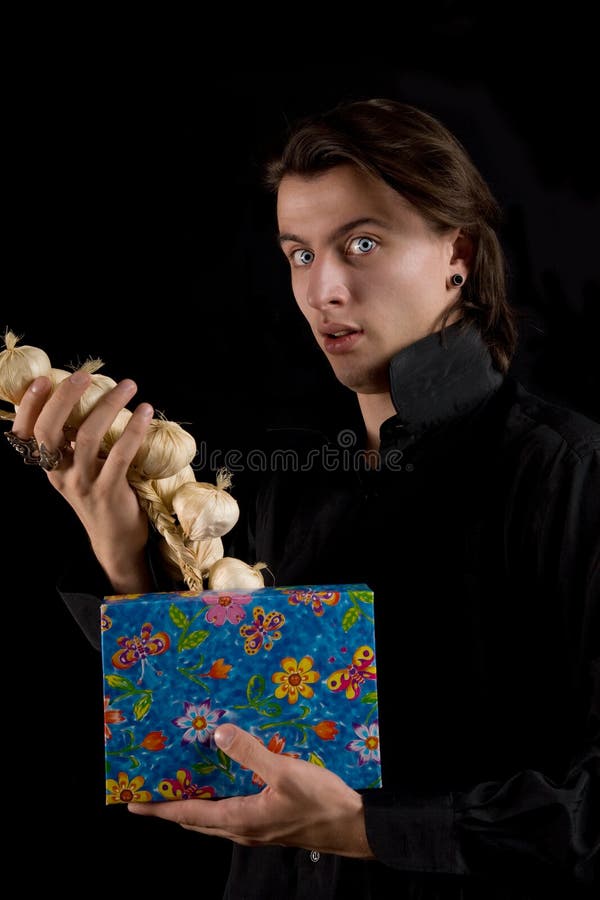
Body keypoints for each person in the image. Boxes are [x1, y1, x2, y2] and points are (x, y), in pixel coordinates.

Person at [5, 99, 598, 898]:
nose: (325, 289)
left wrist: (363, 829)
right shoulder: (285, 479)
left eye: (361, 244)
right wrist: (121, 556)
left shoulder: (569, 474)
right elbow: (205, 761)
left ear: (456, 252)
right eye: (299, 254)